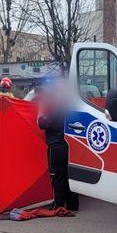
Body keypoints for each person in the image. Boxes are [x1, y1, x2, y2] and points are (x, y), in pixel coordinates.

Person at [37, 84, 79, 212]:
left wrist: (40, 110)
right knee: (69, 175)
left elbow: (41, 124)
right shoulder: (72, 109)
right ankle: (73, 205)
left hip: (56, 147)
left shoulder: (55, 111)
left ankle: (58, 204)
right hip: (70, 146)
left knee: (57, 177)